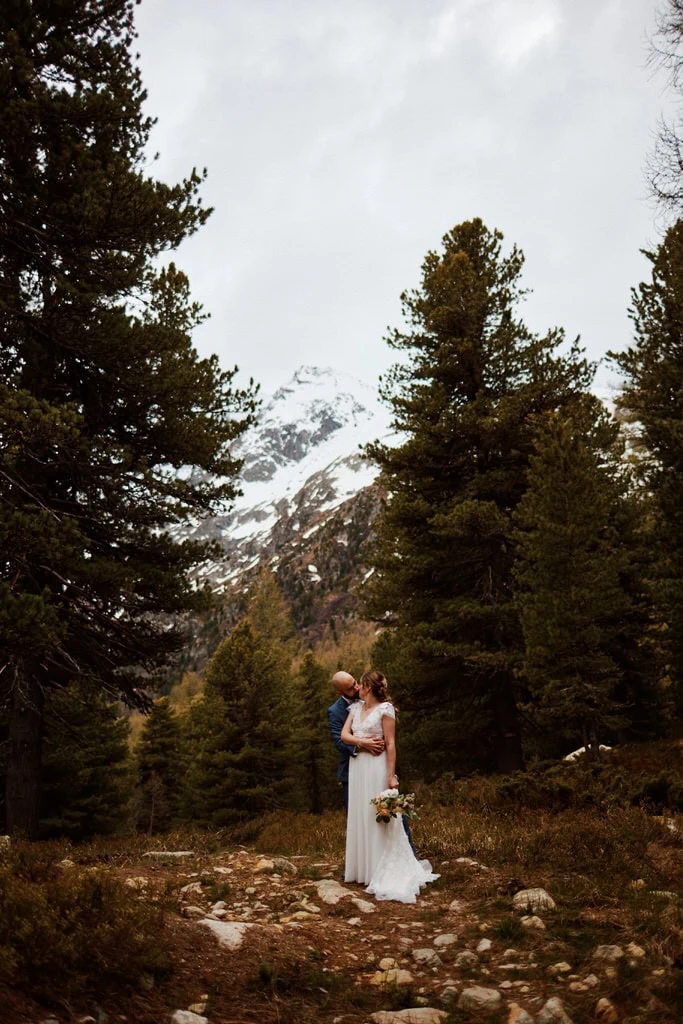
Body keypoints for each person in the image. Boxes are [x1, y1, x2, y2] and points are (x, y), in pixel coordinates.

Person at [341, 669, 438, 903]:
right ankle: (361, 869)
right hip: (358, 768)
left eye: (361, 685)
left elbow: (391, 744)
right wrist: (362, 741)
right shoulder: (355, 709)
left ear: (369, 688)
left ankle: (379, 868)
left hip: (377, 767)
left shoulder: (386, 710)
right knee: (361, 814)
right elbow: (344, 736)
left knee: (377, 813)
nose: (358, 689)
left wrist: (391, 775)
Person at [327, 670, 385, 810]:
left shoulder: (369, 697)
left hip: (377, 763)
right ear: (340, 693)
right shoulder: (335, 711)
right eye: (351, 688)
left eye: (355, 683)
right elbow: (339, 742)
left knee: (387, 805)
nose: (356, 688)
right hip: (351, 769)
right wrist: (365, 745)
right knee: (356, 812)